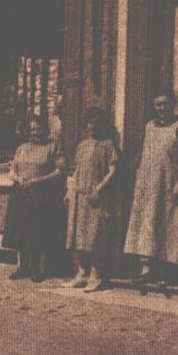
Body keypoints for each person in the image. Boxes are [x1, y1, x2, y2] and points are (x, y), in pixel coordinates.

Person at [123, 88, 178, 285]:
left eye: (165, 104)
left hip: (169, 185)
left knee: (167, 224)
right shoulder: (149, 127)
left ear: (173, 104)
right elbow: (142, 156)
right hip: (147, 185)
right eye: (158, 104)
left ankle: (166, 274)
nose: (162, 108)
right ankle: (146, 270)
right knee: (146, 224)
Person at [3, 116, 66, 282]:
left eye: (38, 129)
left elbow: (60, 171)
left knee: (37, 230)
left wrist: (38, 181)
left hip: (42, 194)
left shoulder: (53, 147)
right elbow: (11, 171)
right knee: (21, 230)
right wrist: (19, 179)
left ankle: (35, 268)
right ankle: (22, 267)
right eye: (32, 129)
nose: (35, 132)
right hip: (21, 193)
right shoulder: (22, 148)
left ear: (44, 130)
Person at [65, 106, 120, 290]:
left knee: (96, 236)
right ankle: (81, 273)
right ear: (86, 125)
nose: (94, 126)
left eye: (98, 123)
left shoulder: (108, 144)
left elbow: (113, 171)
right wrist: (70, 190)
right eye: (91, 123)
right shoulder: (82, 145)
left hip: (97, 198)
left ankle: (96, 276)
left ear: (103, 125)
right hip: (80, 196)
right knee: (79, 236)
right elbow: (77, 170)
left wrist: (98, 189)